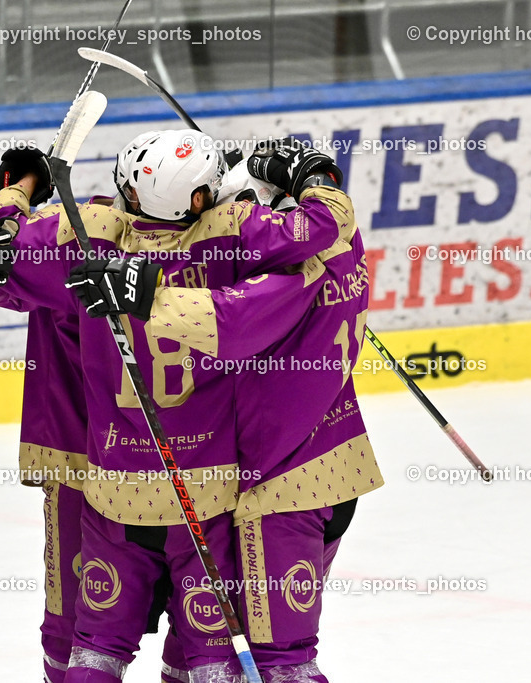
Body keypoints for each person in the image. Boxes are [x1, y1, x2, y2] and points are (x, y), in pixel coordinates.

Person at [0, 130, 353, 682]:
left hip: (106, 478)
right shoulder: (240, 239)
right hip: (224, 487)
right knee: (217, 657)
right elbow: (324, 228)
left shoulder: (88, 238)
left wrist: (13, 196)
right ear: (204, 199)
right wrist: (313, 176)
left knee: (89, 649)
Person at [79, 146, 382, 682]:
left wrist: (142, 290)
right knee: (217, 635)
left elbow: (231, 320)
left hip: (280, 489)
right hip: (339, 465)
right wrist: (311, 178)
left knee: (283, 660)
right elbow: (323, 215)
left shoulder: (287, 279)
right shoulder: (344, 245)